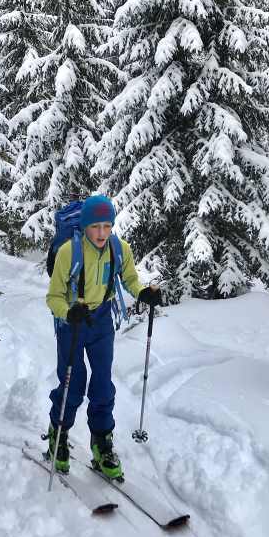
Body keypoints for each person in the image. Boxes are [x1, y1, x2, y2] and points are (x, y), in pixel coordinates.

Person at [45, 194, 162, 479]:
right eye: (96, 226)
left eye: (107, 226)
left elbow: (130, 279)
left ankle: (101, 442)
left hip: (101, 321)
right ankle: (57, 436)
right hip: (72, 321)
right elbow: (53, 297)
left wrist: (143, 292)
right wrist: (68, 312)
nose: (101, 233)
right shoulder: (68, 253)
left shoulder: (119, 249)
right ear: (85, 226)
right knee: (73, 383)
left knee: (101, 383)